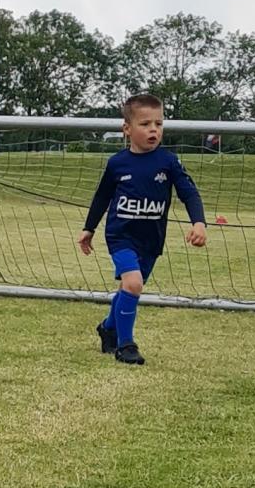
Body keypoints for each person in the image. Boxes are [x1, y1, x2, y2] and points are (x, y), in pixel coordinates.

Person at [77, 92, 207, 366]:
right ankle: (126, 346)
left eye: (158, 124)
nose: (153, 130)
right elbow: (102, 197)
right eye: (145, 124)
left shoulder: (169, 162)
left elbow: (190, 194)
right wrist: (89, 228)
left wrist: (199, 223)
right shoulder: (117, 164)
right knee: (133, 283)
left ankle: (108, 327)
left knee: (130, 288)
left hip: (151, 240)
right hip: (121, 236)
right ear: (127, 129)